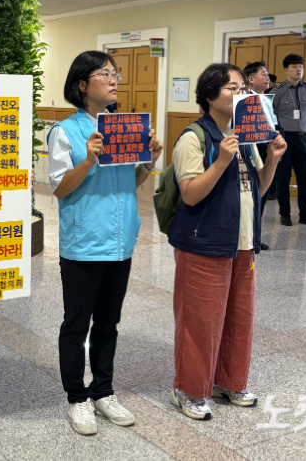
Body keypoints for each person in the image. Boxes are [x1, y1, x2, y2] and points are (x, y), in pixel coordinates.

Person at [47, 50, 163, 435]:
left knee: (109, 323)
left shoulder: (124, 127)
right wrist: (89, 159)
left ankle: (103, 391)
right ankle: (76, 398)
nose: (114, 80)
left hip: (120, 241)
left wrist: (149, 161)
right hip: (83, 243)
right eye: (104, 74)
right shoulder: (66, 132)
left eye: (115, 74)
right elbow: (61, 189)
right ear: (83, 85)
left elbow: (129, 185)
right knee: (76, 324)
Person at [168, 63, 286, 420]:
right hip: (204, 244)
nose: (241, 94)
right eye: (231, 88)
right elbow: (190, 195)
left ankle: (228, 381)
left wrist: (273, 160)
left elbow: (258, 190)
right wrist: (220, 161)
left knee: (239, 318)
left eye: (242, 89)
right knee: (200, 322)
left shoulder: (245, 135)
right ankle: (188, 390)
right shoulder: (194, 137)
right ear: (208, 96)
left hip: (243, 246)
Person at [271, 54, 306, 226]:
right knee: (283, 177)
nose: (299, 69)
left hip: (303, 137)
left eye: (301, 66)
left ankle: (305, 214)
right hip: (285, 137)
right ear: (286, 70)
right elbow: (271, 115)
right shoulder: (277, 91)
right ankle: (285, 213)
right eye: (294, 66)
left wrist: (301, 124)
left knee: (304, 178)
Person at [243, 61, 271, 250]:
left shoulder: (265, 99)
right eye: (264, 74)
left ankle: (255, 236)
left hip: (265, 149)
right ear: (251, 80)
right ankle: (250, 237)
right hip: (251, 150)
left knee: (263, 193)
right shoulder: (243, 99)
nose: (268, 77)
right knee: (254, 193)